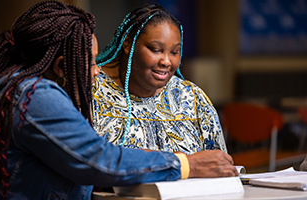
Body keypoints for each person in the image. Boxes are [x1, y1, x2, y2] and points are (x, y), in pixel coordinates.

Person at [0, 1, 237, 200]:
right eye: (90, 63)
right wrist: (185, 164)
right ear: (61, 66)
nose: (97, 71)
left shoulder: (17, 86)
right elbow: (100, 160)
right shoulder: (35, 96)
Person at [93, 4, 227, 155]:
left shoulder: (192, 98)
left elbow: (218, 164)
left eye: (175, 52)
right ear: (128, 43)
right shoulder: (91, 91)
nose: (166, 61)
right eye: (156, 50)